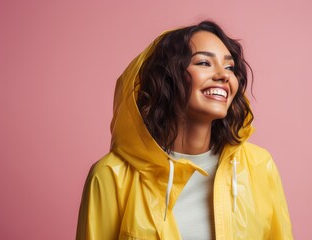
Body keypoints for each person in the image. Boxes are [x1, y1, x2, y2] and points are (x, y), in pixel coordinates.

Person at [76, 20, 293, 240]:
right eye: (204, 63)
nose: (224, 75)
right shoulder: (111, 175)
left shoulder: (259, 166)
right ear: (167, 78)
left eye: (229, 67)